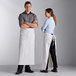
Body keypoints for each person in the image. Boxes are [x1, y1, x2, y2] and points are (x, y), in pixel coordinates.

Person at [15, 1, 38, 75]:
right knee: (22, 51)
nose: (28, 8)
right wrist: (31, 24)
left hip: (31, 35)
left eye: (29, 6)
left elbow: (36, 26)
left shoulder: (34, 15)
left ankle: (27, 68)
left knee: (30, 51)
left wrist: (26, 23)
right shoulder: (21, 15)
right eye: (27, 6)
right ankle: (20, 69)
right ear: (24, 7)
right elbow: (21, 26)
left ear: (31, 7)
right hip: (24, 35)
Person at [40, 8, 58, 73]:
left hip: (47, 36)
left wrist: (42, 29)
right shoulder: (53, 20)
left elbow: (43, 29)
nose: (45, 14)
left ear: (49, 13)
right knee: (52, 52)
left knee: (46, 52)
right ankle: (55, 67)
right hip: (52, 36)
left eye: (46, 12)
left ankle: (45, 68)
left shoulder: (47, 20)